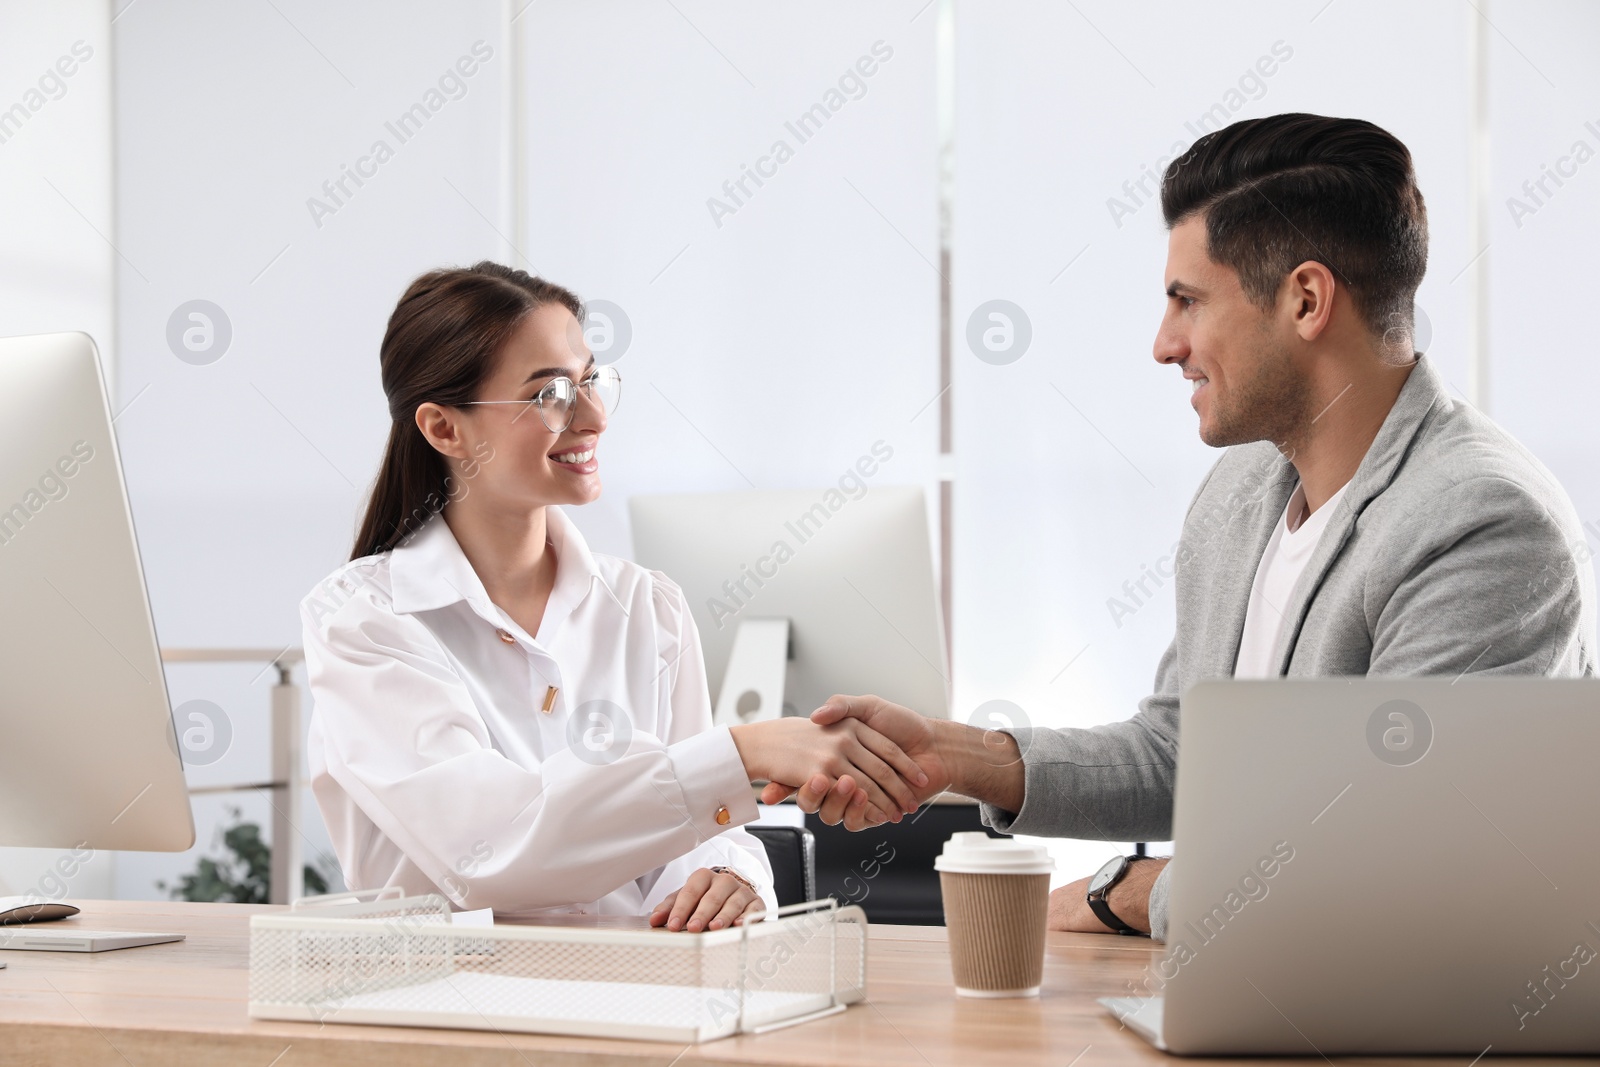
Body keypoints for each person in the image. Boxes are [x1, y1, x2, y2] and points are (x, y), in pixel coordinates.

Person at [763, 113, 1597, 939]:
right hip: (1259, 989)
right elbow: (1183, 752)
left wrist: (1124, 888)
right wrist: (961, 756)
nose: (1165, 345)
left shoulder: (1483, 524)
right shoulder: (1241, 491)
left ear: (1306, 299)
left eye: (1186, 301)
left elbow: (1392, 863)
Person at [301, 263, 925, 933]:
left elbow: (699, 835)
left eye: (592, 382)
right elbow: (486, 848)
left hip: (645, 997)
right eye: (551, 395)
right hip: (451, 1006)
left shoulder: (647, 606)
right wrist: (740, 754)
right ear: (444, 429)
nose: (593, 416)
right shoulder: (362, 618)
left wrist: (727, 875)